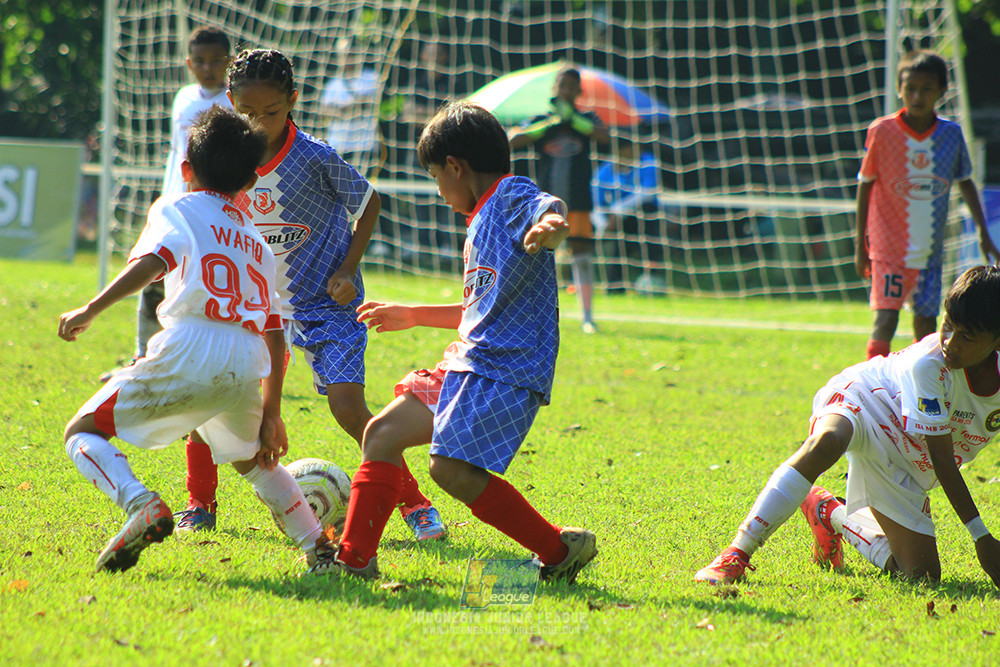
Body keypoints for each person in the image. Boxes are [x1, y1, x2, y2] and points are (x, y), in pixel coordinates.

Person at [306, 102, 598, 582]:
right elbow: (481, 312)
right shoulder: (480, 219)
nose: (439, 191)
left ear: (456, 168)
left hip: (503, 369)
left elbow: (545, 205)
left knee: (450, 471)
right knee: (381, 435)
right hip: (468, 361)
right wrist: (413, 315)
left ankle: (556, 550)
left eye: (436, 177)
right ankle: (354, 561)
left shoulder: (506, 195)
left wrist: (551, 225)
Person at [174, 48, 447, 542]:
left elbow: (369, 202)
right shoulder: (227, 161)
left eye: (271, 113)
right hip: (255, 307)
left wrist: (347, 267)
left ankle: (415, 505)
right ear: (231, 102)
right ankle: (200, 503)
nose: (258, 124)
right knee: (207, 394)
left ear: (293, 101)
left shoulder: (316, 158)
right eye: (247, 113)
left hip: (325, 306)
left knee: (347, 409)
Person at [58, 107, 335, 574]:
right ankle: (319, 551)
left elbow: (153, 263)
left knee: (82, 431)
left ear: (186, 170)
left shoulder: (176, 207)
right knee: (257, 461)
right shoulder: (258, 243)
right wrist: (272, 412)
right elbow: (273, 333)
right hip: (245, 359)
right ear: (248, 183)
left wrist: (91, 308)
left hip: (192, 343)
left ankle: (140, 503)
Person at [694, 265, 1000, 589]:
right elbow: (942, 458)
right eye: (947, 325)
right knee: (827, 441)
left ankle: (830, 513)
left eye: (966, 336)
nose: (950, 342)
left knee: (921, 577)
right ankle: (735, 554)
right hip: (868, 399)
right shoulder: (928, 365)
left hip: (907, 458)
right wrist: (981, 537)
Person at [101, 27, 235, 383]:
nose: (208, 69)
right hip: (175, 204)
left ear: (230, 62)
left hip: (214, 209)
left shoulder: (236, 102)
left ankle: (205, 363)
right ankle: (142, 356)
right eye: (201, 62)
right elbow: (178, 153)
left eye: (216, 61)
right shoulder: (183, 98)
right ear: (189, 64)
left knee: (203, 285)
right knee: (154, 278)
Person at [855, 49, 1000, 360]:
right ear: (899, 89)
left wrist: (983, 232)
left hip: (930, 252)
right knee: (886, 319)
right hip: (888, 250)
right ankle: (870, 387)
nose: (917, 96)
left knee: (927, 326)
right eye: (910, 88)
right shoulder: (882, 132)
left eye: (926, 89)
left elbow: (965, 182)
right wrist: (860, 246)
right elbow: (864, 186)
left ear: (941, 91)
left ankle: (929, 389)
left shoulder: (950, 134)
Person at [509, 66, 610, 334]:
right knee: (535, 257)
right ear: (555, 88)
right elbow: (513, 139)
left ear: (579, 91)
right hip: (545, 204)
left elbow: (605, 136)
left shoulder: (586, 118)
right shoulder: (544, 119)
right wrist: (549, 124)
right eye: (561, 85)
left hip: (577, 200)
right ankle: (529, 316)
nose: (565, 91)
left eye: (570, 86)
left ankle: (587, 317)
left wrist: (575, 121)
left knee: (583, 255)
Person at [320, 38, 380, 169]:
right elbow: (326, 112)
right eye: (344, 55)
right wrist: (354, 107)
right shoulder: (332, 85)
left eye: (350, 54)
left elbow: (370, 103)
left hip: (364, 146)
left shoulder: (371, 77)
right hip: (339, 146)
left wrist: (342, 110)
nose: (347, 59)